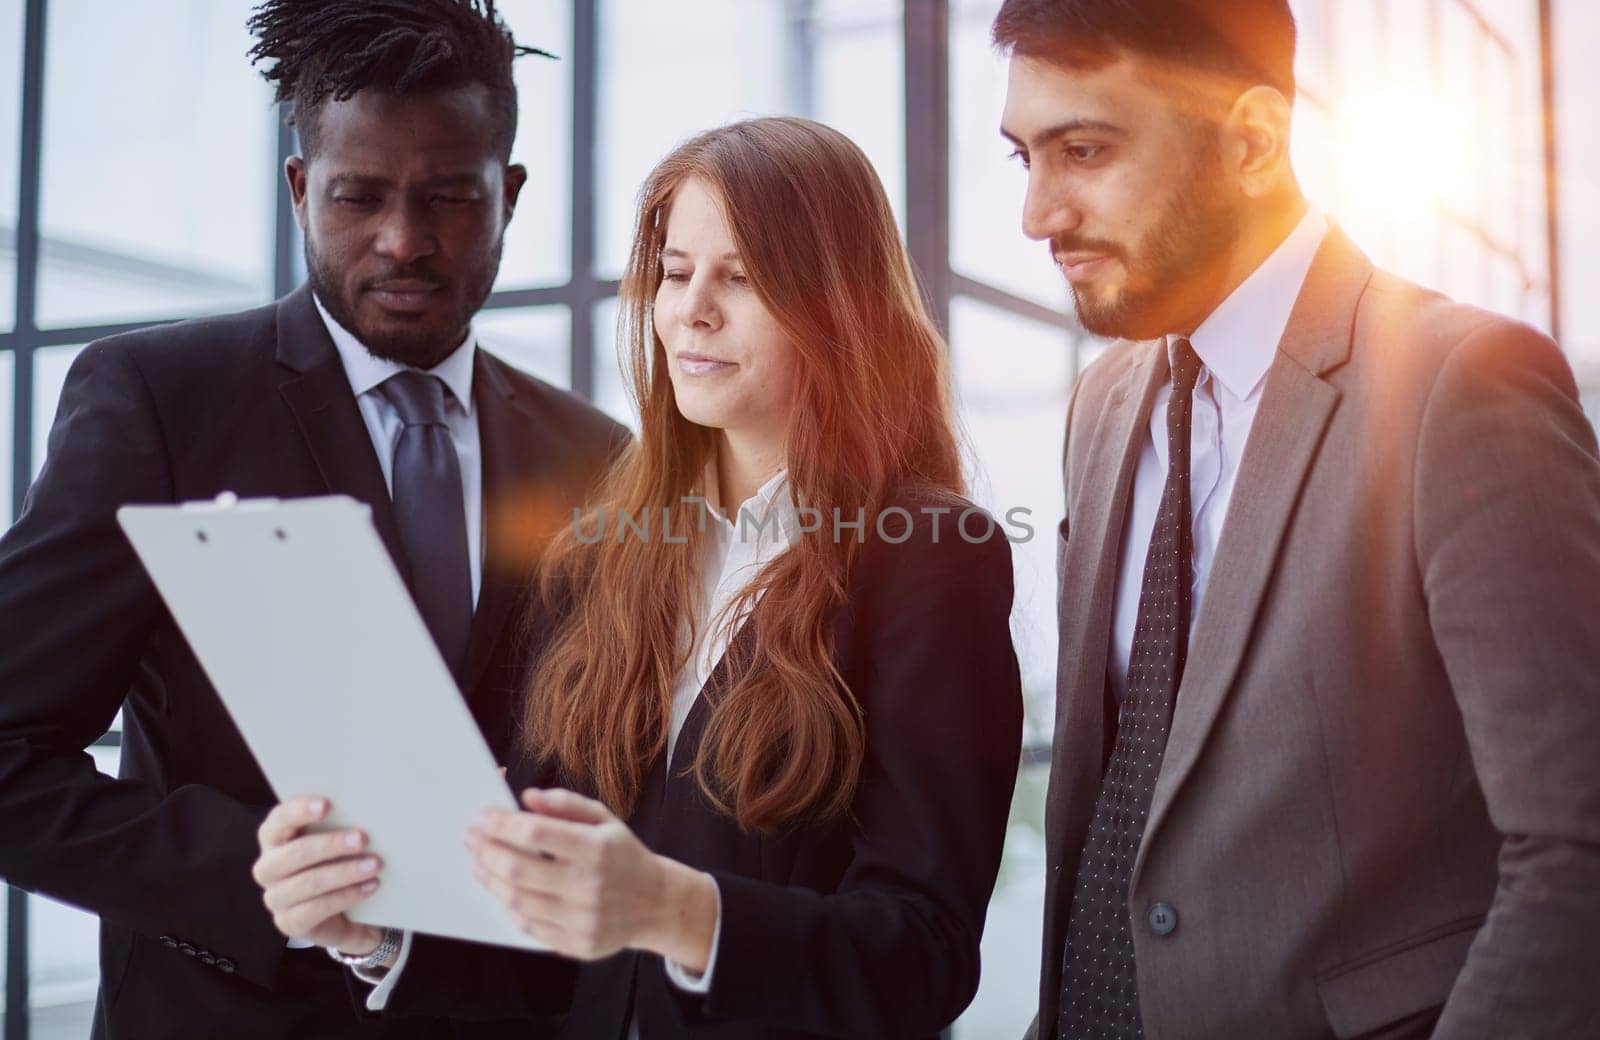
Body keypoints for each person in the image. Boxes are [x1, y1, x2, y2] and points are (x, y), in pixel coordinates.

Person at [252, 115, 1025, 1040]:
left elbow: (923, 954)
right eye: (675, 271)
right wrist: (379, 934)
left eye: (741, 278)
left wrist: (676, 911)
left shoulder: (930, 555)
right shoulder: (599, 552)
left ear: (838, 305)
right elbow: (544, 945)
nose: (692, 310)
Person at [0, 2, 624, 1037]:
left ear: (509, 194)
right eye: (358, 196)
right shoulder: (159, 400)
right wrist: (259, 877)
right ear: (300, 190)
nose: (404, 240)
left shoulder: (597, 459)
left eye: (452, 198)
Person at [991, 1, 1600, 1037]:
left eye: (1082, 150)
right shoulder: (1102, 408)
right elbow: (1118, 820)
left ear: (1253, 141)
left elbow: (1575, 846)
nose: (1038, 215)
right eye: (1024, 159)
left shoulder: (1461, 385)